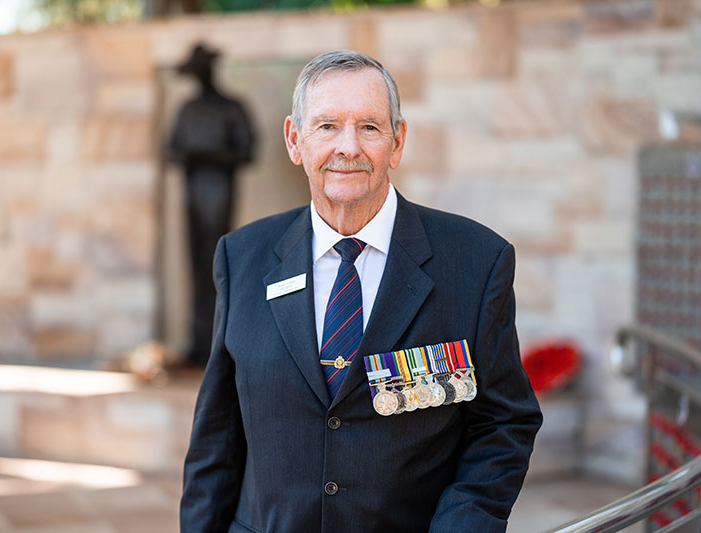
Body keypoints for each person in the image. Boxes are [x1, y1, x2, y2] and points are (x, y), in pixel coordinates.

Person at [181, 50, 542, 532]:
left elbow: (502, 426)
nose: (347, 146)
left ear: (397, 142)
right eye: (327, 126)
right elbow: (217, 438)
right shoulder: (241, 257)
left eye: (369, 127)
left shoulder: (476, 262)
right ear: (295, 140)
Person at [168, 43, 255, 368]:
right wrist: (193, 156)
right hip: (193, 193)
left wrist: (208, 154)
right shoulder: (187, 109)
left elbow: (247, 151)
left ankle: (220, 343)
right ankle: (198, 341)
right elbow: (173, 149)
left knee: (218, 264)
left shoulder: (231, 108)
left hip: (219, 192)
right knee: (195, 266)